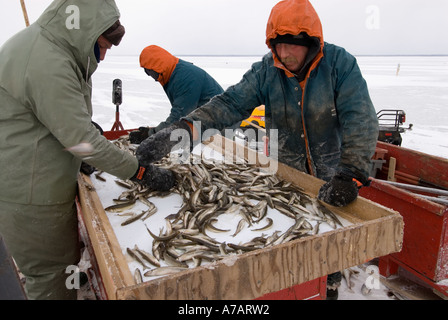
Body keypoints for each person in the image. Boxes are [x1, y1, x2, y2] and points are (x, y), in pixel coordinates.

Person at [135, 0, 379, 299]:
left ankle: (330, 280)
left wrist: (351, 172)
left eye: (293, 46)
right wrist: (182, 130)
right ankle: (290, 281)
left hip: (332, 166)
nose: (285, 54)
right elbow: (230, 104)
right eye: (279, 46)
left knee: (331, 230)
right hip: (284, 167)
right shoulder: (267, 70)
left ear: (312, 44)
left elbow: (361, 117)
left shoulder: (339, 64)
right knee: (290, 229)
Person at [0, 0, 174, 300]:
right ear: (84, 32)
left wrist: (80, 139)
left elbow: (58, 122)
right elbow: (81, 141)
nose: (103, 57)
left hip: (36, 183)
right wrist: (140, 171)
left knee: (61, 268)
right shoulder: (48, 60)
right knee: (49, 278)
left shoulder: (47, 46)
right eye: (102, 46)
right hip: (31, 197)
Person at [129, 45, 224, 144]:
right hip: (204, 123)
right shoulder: (172, 72)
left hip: (223, 126)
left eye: (148, 70)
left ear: (157, 67)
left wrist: (150, 134)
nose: (148, 75)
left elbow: (179, 116)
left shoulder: (185, 78)